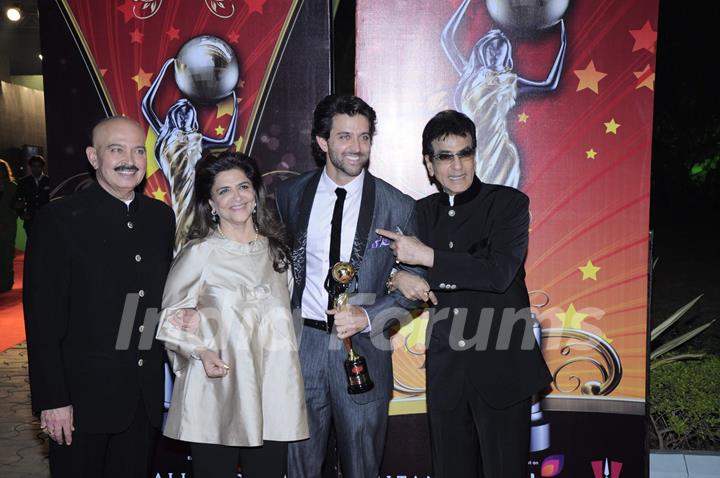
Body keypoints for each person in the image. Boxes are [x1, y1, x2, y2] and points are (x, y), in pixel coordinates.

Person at [377, 110, 552, 477]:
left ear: (475, 154)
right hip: (447, 371)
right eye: (445, 156)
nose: (457, 166)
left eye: (465, 153)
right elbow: (388, 266)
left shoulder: (509, 204)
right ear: (429, 164)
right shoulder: (418, 213)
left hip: (504, 366)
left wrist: (426, 257)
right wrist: (396, 276)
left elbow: (499, 273)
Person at [275, 94, 420, 477]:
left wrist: (369, 317)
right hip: (303, 345)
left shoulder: (397, 205)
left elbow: (416, 289)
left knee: (362, 465)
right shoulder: (289, 196)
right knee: (298, 465)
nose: (356, 148)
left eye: (364, 137)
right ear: (322, 142)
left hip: (366, 350)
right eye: (344, 137)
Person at [23, 116, 176, 477]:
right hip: (81, 400)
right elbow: (43, 320)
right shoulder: (59, 219)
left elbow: (152, 299)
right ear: (93, 157)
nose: (130, 159)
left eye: (139, 150)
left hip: (142, 397)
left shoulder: (160, 217)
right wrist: (53, 400)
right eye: (116, 149)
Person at [155, 152, 308, 477]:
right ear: (210, 204)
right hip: (217, 390)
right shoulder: (199, 254)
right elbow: (168, 320)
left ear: (255, 194)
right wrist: (201, 349)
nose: (236, 197)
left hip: (271, 389)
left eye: (243, 187)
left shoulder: (277, 252)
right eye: (224, 191)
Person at [441, 0, 566, 187]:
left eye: (500, 49)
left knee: (498, 208)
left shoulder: (510, 83)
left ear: (506, 55)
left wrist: (563, 43)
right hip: (469, 153)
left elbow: (549, 84)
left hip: (500, 155)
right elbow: (446, 39)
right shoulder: (470, 75)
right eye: (491, 48)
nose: (495, 53)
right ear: (482, 50)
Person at [14, 154, 51, 236]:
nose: (36, 168)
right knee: (31, 244)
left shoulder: (49, 181)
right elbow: (16, 199)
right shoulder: (23, 182)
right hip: (30, 219)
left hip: (47, 218)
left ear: (43, 167)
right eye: (34, 166)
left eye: (39, 166)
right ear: (30, 167)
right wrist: (21, 213)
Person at [0, 159, 18, 292]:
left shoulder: (13, 187)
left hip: (8, 224)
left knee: (7, 253)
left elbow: (17, 206)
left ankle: (7, 282)